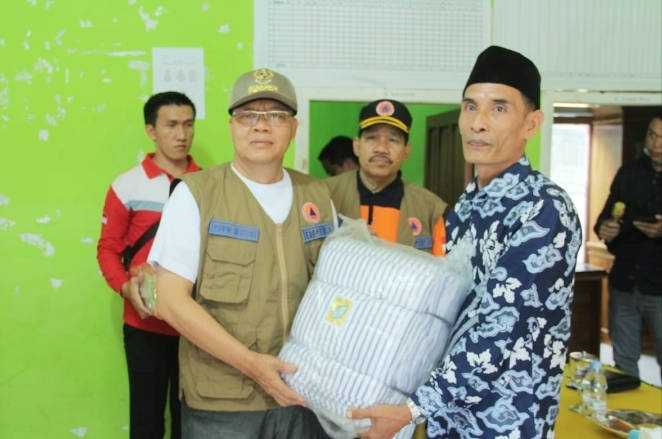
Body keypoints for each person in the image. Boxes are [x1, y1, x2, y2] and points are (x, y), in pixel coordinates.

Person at [347, 46, 582, 438]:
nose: (478, 123)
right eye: (470, 107)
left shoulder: (543, 209)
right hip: (448, 418)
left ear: (532, 123)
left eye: (499, 108)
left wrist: (411, 410)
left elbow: (500, 329)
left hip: (505, 422)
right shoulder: (466, 205)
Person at [147, 68, 336, 439]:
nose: (261, 126)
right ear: (231, 127)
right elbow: (170, 301)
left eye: (276, 116)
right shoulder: (196, 195)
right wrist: (252, 365)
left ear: (293, 127)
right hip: (224, 406)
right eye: (248, 116)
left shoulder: (318, 196)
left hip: (304, 396)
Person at [97, 91, 200, 439]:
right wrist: (125, 287)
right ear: (150, 130)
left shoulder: (208, 183)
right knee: (146, 422)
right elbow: (108, 248)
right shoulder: (127, 185)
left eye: (188, 124)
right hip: (144, 324)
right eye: (171, 125)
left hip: (194, 325)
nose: (181, 134)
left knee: (193, 422)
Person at [326, 99, 448, 256]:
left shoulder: (429, 208)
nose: (381, 149)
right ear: (357, 146)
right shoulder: (325, 195)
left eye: (392, 140)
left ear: (406, 150)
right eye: (372, 138)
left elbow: (442, 268)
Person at [594, 116, 662, 379]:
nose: (656, 144)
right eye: (652, 135)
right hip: (624, 282)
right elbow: (604, 219)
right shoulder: (629, 172)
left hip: (659, 287)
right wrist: (605, 229)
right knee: (623, 367)